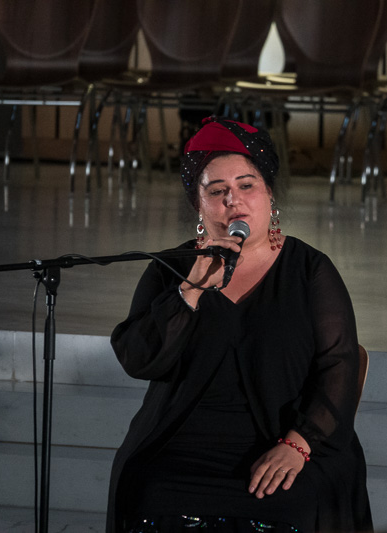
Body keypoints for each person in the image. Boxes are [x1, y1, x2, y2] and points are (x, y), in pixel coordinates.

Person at [106, 117, 372, 533]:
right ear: (198, 204)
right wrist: (190, 291)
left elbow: (339, 364)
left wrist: (297, 445)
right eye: (217, 191)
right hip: (181, 446)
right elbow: (140, 360)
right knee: (147, 491)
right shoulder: (170, 269)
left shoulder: (309, 268)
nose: (233, 200)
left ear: (269, 194)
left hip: (283, 439)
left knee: (293, 506)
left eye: (247, 185)